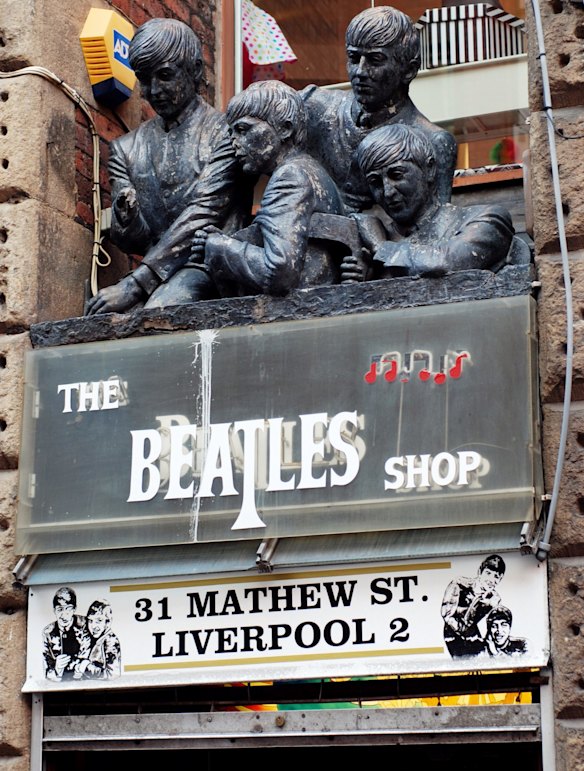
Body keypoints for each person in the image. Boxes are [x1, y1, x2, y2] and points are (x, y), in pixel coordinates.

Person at [86, 18, 248, 314]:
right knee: (102, 321)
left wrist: (135, 284)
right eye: (144, 79)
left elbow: (203, 213)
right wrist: (128, 217)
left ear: (195, 71)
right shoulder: (125, 149)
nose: (153, 90)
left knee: (157, 315)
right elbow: (132, 241)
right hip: (153, 276)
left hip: (210, 270)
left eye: (164, 76)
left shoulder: (225, 132)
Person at [194, 81, 345, 297]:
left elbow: (279, 271)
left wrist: (218, 247)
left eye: (243, 129)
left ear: (285, 128)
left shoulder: (290, 175)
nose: (234, 142)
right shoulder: (310, 171)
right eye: (232, 133)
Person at [301, 6, 457, 212]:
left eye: (375, 60)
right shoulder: (313, 107)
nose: (360, 72)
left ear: (408, 70)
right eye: (354, 59)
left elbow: (433, 230)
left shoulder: (433, 143)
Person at [341, 123, 515, 280]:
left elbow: (447, 263)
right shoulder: (368, 249)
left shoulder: (487, 219)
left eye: (397, 175)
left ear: (430, 169)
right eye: (375, 182)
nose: (388, 192)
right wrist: (360, 283)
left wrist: (382, 249)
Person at [441, 554, 506, 658]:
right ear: (480, 571)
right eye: (488, 573)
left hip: (473, 635)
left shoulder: (494, 598)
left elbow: (492, 624)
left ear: (500, 579)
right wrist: (461, 630)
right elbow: (447, 614)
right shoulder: (459, 584)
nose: (490, 579)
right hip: (453, 634)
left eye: (496, 576)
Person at [42, 587, 89, 681]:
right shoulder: (48, 632)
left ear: (74, 609)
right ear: (54, 610)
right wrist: (57, 669)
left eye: (68, 608)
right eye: (59, 609)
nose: (64, 615)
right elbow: (46, 673)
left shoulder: (86, 625)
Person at [73, 600, 121, 680]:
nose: (94, 626)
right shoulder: (87, 636)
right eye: (91, 621)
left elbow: (113, 675)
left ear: (108, 622)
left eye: (99, 621)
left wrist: (87, 667)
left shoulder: (111, 641)